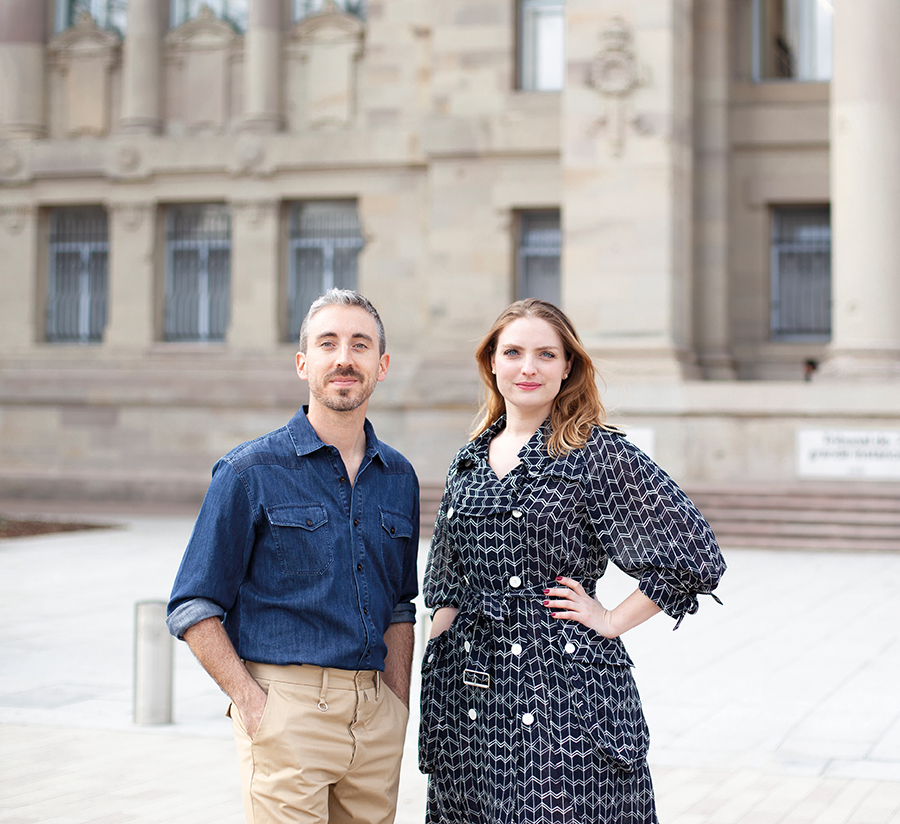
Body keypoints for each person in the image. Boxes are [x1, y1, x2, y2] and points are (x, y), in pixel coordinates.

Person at [419, 298, 726, 824]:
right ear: (491, 362)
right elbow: (445, 587)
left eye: (546, 354)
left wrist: (609, 620)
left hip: (562, 696)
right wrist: (435, 674)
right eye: (513, 352)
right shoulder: (467, 461)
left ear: (568, 367)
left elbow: (693, 555)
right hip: (468, 702)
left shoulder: (596, 453)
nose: (528, 367)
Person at [167, 289, 419, 824]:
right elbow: (192, 605)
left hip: (375, 719)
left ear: (383, 364)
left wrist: (396, 706)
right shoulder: (248, 472)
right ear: (304, 363)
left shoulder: (399, 478)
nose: (344, 358)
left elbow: (400, 607)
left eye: (360, 344)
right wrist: (255, 706)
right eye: (327, 344)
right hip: (287, 713)